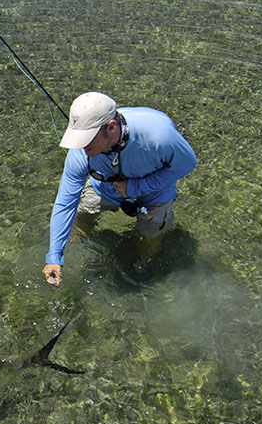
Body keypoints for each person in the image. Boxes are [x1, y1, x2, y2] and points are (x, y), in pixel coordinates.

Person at [43, 92, 196, 285]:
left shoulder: (160, 135)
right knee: (81, 212)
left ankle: (143, 263)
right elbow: (65, 203)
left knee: (151, 234)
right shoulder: (80, 153)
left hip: (155, 192)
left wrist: (137, 187)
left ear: (111, 127)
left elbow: (186, 164)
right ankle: (79, 241)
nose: (81, 147)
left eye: (87, 138)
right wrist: (54, 256)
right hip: (106, 188)